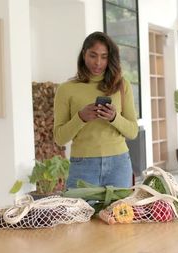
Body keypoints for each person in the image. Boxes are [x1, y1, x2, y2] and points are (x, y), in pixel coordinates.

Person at [53, 31, 138, 189]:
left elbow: (133, 131)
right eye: (93, 55)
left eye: (104, 57)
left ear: (109, 58)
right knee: (82, 214)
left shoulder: (121, 85)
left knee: (119, 214)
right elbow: (59, 138)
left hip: (118, 164)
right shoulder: (66, 89)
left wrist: (114, 118)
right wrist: (81, 118)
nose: (98, 62)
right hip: (83, 165)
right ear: (84, 54)